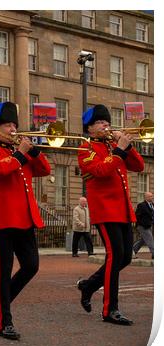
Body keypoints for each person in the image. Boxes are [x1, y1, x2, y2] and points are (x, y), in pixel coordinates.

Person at [0, 101, 51, 341]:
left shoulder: (20, 152)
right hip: (3, 220)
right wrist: (21, 153)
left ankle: (0, 300)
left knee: (31, 266)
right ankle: (5, 321)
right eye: (8, 125)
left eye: (14, 124)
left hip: (25, 219)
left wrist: (34, 151)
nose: (13, 129)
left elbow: (45, 170)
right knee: (4, 271)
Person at [76, 105, 144, 325]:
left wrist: (127, 146)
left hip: (122, 210)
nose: (106, 125)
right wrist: (118, 151)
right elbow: (100, 171)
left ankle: (88, 285)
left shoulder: (115, 146)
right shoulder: (85, 149)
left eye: (107, 122)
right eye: (100, 123)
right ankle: (109, 309)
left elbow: (139, 166)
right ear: (90, 128)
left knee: (125, 257)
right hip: (105, 211)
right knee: (115, 256)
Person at [132, 192, 154, 259]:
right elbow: (137, 216)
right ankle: (154, 253)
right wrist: (141, 224)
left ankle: (132, 251)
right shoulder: (141, 205)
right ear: (146, 197)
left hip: (149, 225)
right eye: (150, 196)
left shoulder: (153, 205)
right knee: (150, 239)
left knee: (143, 240)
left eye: (152, 196)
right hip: (142, 226)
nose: (152, 197)